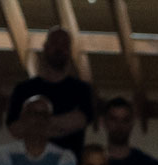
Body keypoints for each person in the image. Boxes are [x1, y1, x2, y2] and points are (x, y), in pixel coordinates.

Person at [6, 27, 97, 157]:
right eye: (55, 43)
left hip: (70, 163)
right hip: (29, 163)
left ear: (69, 51)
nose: (59, 48)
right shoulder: (23, 89)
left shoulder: (82, 89)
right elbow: (15, 128)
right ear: (45, 47)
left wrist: (35, 124)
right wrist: (60, 125)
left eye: (64, 45)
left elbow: (80, 120)